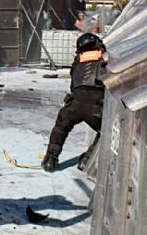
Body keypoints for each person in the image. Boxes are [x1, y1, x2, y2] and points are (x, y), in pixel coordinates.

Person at [42, 33, 106, 172]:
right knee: (105, 131)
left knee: (61, 126)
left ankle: (50, 159)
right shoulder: (105, 57)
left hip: (75, 103)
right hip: (97, 107)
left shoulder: (78, 60)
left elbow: (73, 84)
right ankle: (88, 160)